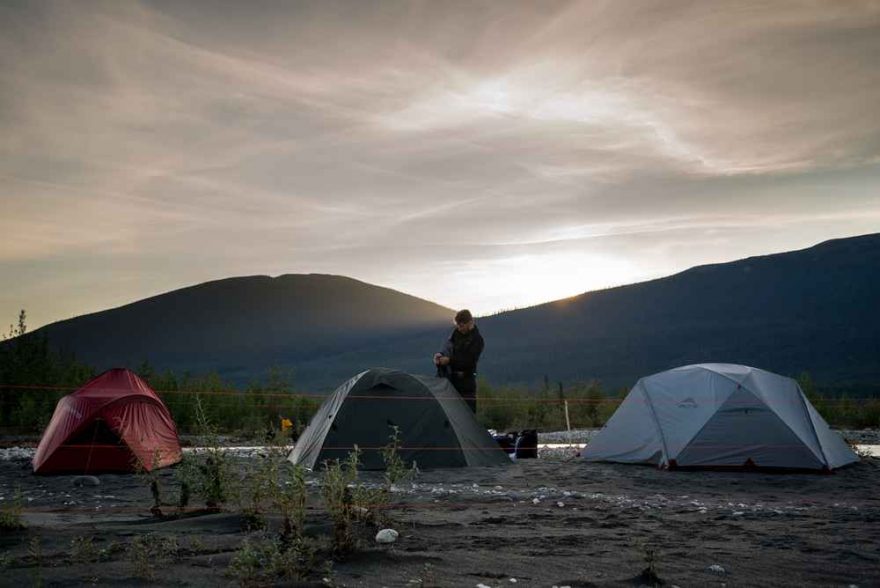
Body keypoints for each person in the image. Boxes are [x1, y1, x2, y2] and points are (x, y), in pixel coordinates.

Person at [433, 309, 484, 413]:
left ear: (470, 323)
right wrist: (440, 356)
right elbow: (446, 350)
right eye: (458, 325)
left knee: (467, 414)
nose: (459, 328)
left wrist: (449, 361)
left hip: (466, 384)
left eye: (461, 325)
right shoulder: (453, 336)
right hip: (449, 381)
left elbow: (469, 361)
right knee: (449, 413)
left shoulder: (477, 340)